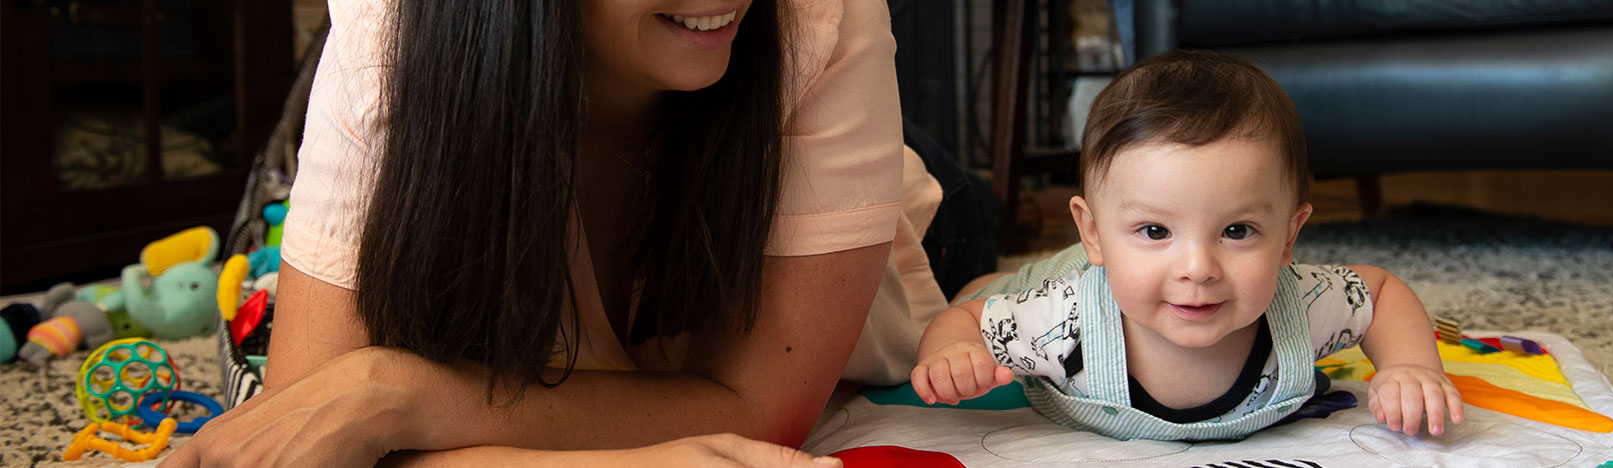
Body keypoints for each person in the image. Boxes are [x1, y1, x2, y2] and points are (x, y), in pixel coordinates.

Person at [161, 0, 958, 466]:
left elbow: (762, 410)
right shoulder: (393, 31)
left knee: (983, 241)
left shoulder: (822, 18)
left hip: (885, 212)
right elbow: (307, 423)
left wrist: (394, 393)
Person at [909, 50, 1465, 441]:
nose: (1198, 268)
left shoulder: (1303, 305)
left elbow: (1381, 290)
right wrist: (950, 350)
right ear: (1094, 232)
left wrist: (1409, 364)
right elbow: (969, 323)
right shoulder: (1058, 321)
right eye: (1156, 231)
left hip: (1123, 270)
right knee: (979, 294)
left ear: (1289, 236)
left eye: (1237, 231)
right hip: (1078, 281)